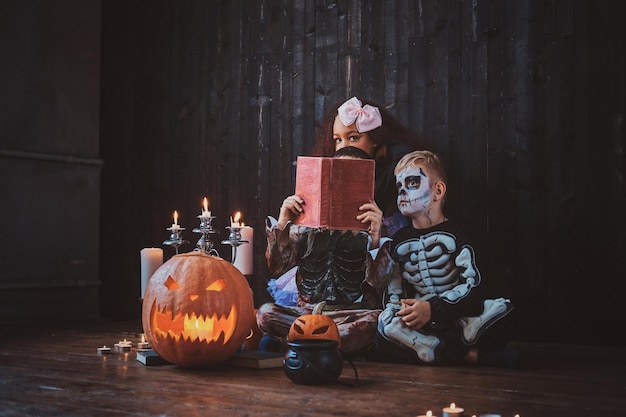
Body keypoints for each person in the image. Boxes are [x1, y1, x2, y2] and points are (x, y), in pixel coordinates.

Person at [367, 150, 519, 367]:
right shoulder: (397, 241)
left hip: (460, 319)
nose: (401, 192)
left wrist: (434, 309)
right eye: (398, 186)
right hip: (419, 325)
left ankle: (438, 351)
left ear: (437, 191)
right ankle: (468, 356)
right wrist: (406, 312)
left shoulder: (460, 234)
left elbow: (475, 285)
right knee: (385, 323)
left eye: (411, 183)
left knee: (504, 309)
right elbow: (392, 291)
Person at [256, 146, 384, 356]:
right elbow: (277, 267)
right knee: (265, 314)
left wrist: (376, 238)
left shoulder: (372, 229)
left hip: (349, 315)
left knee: (376, 322)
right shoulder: (304, 229)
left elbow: (379, 284)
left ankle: (299, 344)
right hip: (306, 315)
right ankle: (326, 347)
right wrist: (283, 222)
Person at [311, 97, 423, 236]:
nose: (344, 146)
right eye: (338, 140)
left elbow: (410, 159)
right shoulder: (330, 178)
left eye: (353, 137)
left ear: (374, 139)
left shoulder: (388, 174)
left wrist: (387, 148)